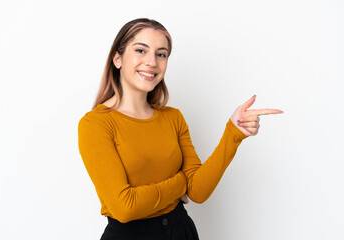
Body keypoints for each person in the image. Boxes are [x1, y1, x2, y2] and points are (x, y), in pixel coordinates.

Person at [77, 18, 283, 240]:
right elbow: (125, 208)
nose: (152, 62)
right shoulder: (95, 124)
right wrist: (180, 183)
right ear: (117, 59)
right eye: (140, 50)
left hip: (181, 231)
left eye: (161, 54)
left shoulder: (173, 118)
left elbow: (198, 192)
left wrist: (233, 134)